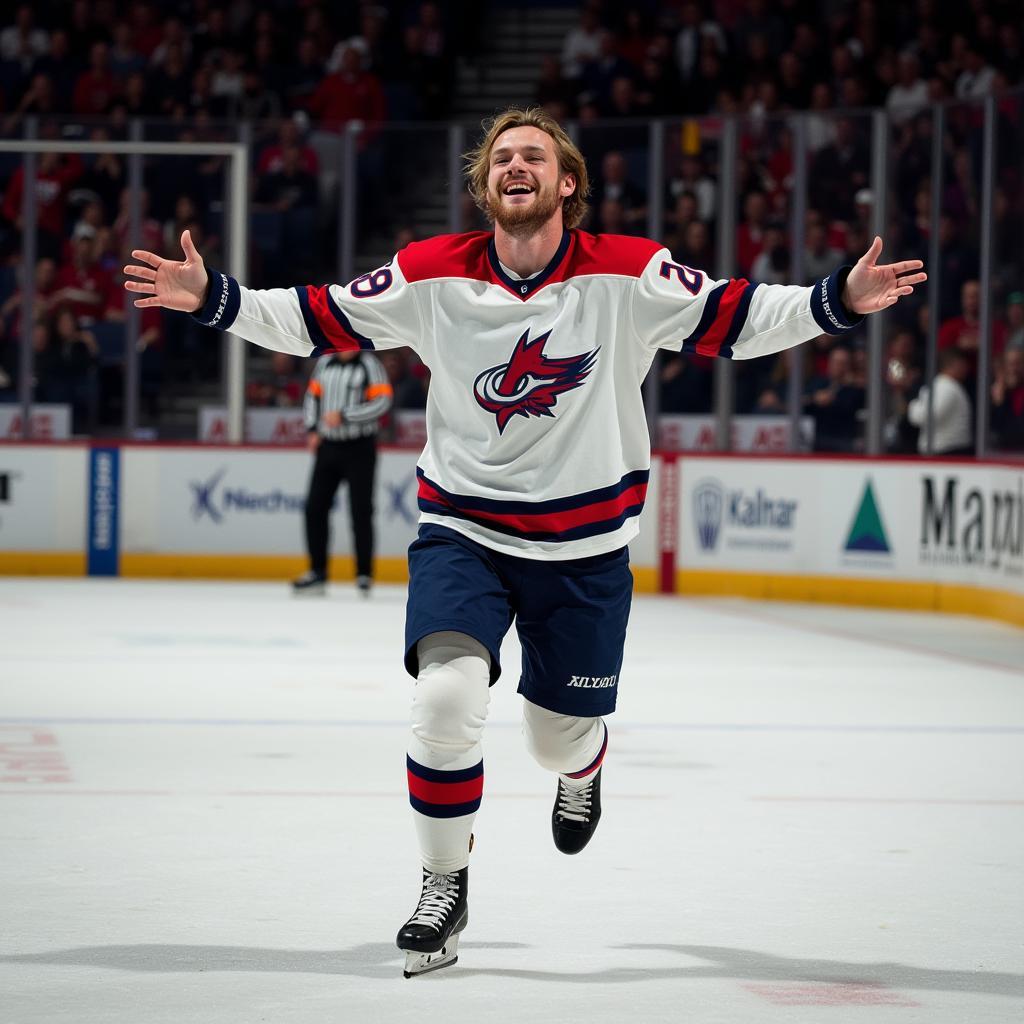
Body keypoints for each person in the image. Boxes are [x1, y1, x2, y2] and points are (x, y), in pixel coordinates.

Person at [124, 107, 926, 978]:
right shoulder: (429, 274)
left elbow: (740, 317)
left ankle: (582, 767)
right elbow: (315, 318)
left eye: (533, 157)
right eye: (501, 157)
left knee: (555, 740)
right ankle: (444, 883)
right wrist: (212, 298)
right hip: (462, 533)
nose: (516, 166)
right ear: (484, 184)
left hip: (584, 553)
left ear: (565, 182)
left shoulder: (631, 272)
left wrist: (837, 301)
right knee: (444, 700)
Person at [292, 349, 393, 597]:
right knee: (314, 507)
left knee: (361, 510)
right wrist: (312, 428)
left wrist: (346, 416)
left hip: (360, 447)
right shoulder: (325, 362)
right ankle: (317, 572)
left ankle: (364, 574)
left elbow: (382, 401)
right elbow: (312, 396)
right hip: (329, 446)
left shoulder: (370, 365)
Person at [907, 348, 974, 455]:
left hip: (949, 450)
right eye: (963, 364)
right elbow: (929, 416)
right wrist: (914, 407)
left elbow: (927, 415)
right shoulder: (945, 386)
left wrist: (914, 406)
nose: (967, 368)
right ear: (954, 364)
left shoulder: (946, 385)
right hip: (945, 453)